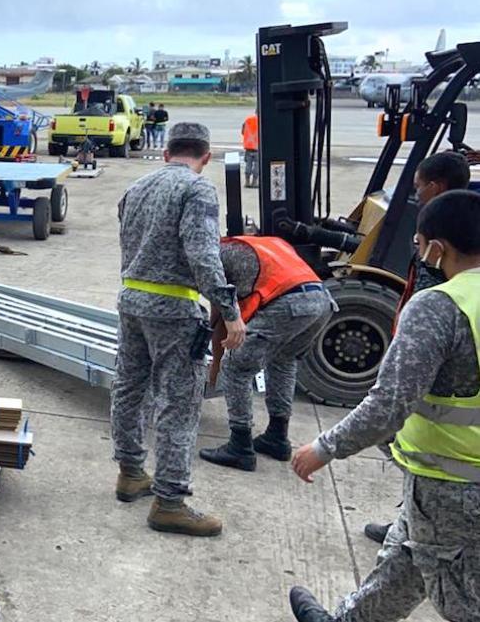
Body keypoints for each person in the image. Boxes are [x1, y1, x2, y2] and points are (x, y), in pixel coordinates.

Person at [287, 189, 480, 622]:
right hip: (438, 489)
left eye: (419, 243)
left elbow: (389, 404)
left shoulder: (439, 307)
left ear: (436, 247)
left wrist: (323, 448)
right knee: (403, 563)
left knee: (464, 601)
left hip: (453, 487)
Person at [111, 122, 246, 537]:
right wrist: (230, 311)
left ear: (166, 152)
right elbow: (204, 255)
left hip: (131, 301)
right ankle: (169, 501)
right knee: (179, 405)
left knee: (129, 389)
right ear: (205, 157)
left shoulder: (136, 188)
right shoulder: (197, 188)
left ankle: (131, 472)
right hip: (173, 310)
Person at [363, 151, 472, 545]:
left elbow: (427, 297)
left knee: (402, 433)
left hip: (433, 352)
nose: (416, 193)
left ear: (436, 186)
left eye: (419, 186)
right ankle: (408, 519)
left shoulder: (444, 236)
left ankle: (411, 521)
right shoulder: (463, 225)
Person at [198, 235, 334, 471]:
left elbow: (222, 317)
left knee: (236, 367)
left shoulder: (215, 258)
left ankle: (239, 446)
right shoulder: (254, 244)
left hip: (289, 304)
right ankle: (277, 437)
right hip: (322, 302)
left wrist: (218, 365)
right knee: (283, 361)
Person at [241, 112, 259, 188]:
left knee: (248, 164)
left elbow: (242, 132)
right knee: (257, 166)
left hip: (248, 147)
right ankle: (254, 182)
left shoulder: (248, 120)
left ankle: (247, 182)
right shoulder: (262, 120)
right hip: (257, 147)